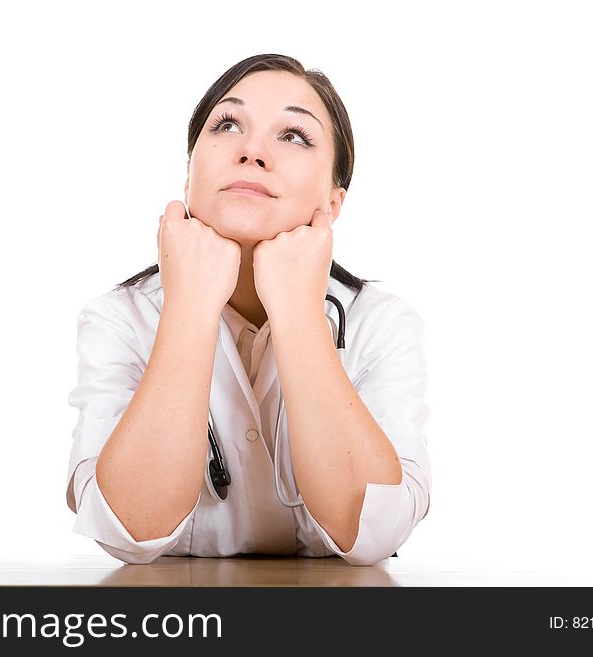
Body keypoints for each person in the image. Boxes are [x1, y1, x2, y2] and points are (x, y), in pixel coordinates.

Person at [66, 53, 432, 566]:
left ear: (332, 206)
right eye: (228, 124)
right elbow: (126, 528)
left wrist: (299, 317)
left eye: (294, 136)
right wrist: (189, 309)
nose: (252, 151)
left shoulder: (381, 323)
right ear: (188, 176)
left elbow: (373, 533)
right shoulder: (120, 318)